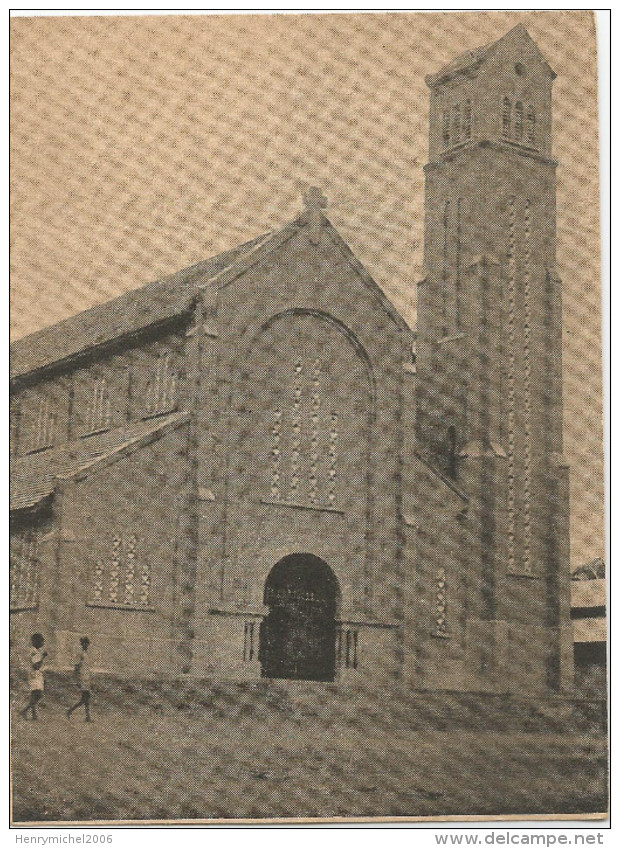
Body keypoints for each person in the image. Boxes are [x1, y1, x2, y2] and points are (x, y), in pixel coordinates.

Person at [21, 633, 47, 721]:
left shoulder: (36, 651)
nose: (43, 643)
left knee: (34, 694)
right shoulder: (34, 652)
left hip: (36, 674)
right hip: (34, 675)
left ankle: (34, 715)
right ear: (35, 641)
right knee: (38, 694)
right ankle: (24, 711)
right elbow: (36, 666)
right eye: (41, 641)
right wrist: (43, 657)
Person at [67, 636, 92, 722]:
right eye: (85, 643)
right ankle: (70, 711)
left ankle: (87, 716)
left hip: (86, 678)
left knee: (86, 698)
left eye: (87, 643)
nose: (86, 645)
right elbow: (76, 667)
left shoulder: (86, 654)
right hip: (82, 678)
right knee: (85, 698)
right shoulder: (80, 654)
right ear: (82, 644)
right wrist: (76, 680)